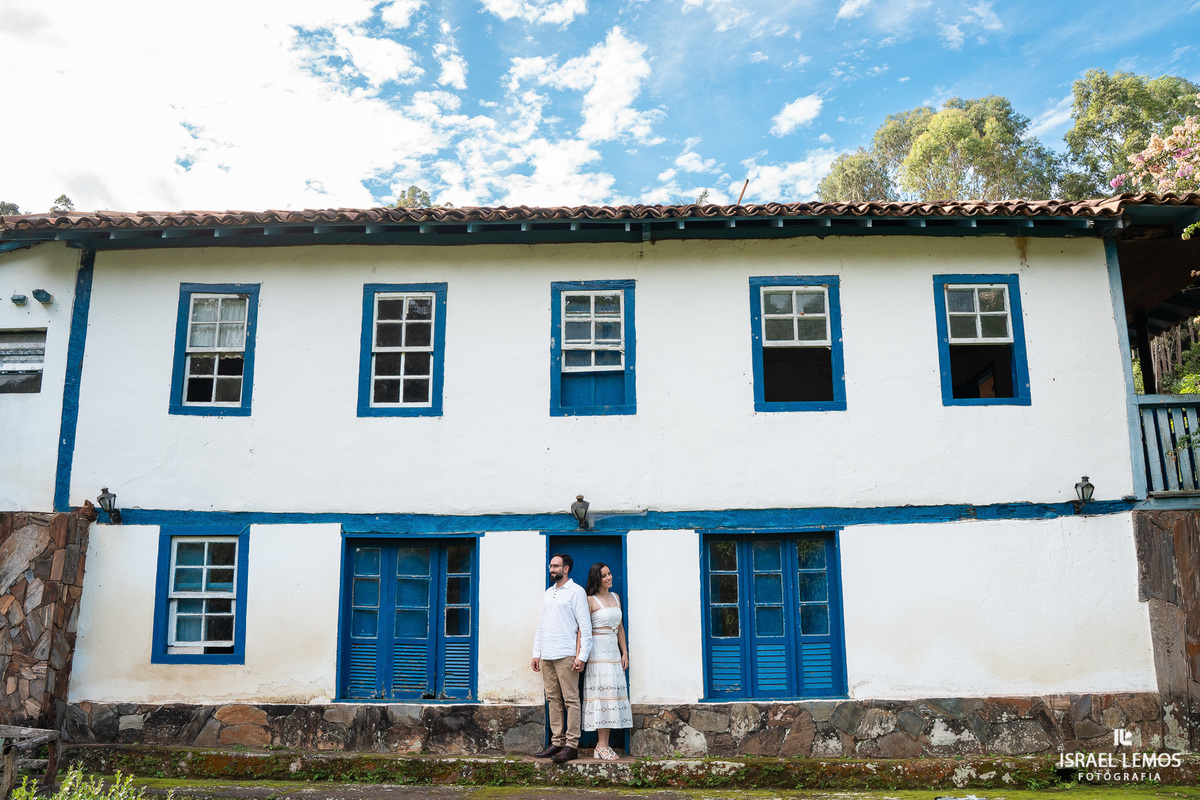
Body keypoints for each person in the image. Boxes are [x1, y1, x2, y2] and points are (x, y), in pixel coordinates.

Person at [531, 553, 591, 763]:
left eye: (556, 566)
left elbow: (585, 626)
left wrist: (581, 656)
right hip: (547, 654)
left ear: (566, 569)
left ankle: (571, 745)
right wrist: (536, 653)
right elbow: (542, 624)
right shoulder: (548, 593)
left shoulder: (576, 592)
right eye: (550, 566)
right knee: (553, 699)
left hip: (566, 654)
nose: (551, 569)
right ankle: (557, 741)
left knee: (571, 700)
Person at [581, 562, 632, 761]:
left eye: (610, 574)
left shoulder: (616, 597)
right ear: (597, 579)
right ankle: (601, 746)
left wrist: (624, 652)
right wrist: (581, 656)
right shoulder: (590, 600)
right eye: (604, 575)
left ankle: (604, 745)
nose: (609, 578)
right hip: (597, 654)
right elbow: (583, 630)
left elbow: (620, 628)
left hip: (613, 653)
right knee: (601, 696)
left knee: (612, 696)